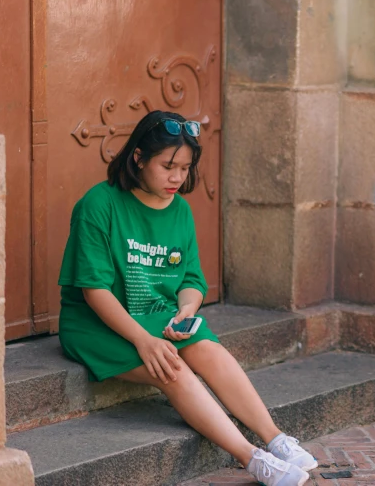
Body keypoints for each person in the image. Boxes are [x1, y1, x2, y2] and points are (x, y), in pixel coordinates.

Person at [57, 110, 315, 486]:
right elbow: (94, 290)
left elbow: (191, 279)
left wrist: (186, 310)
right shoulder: (99, 204)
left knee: (208, 349)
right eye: (168, 166)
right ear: (139, 157)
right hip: (97, 324)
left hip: (157, 317)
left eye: (185, 167)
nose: (177, 177)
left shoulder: (180, 210)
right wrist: (143, 340)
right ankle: (254, 459)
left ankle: (276, 439)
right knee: (172, 368)